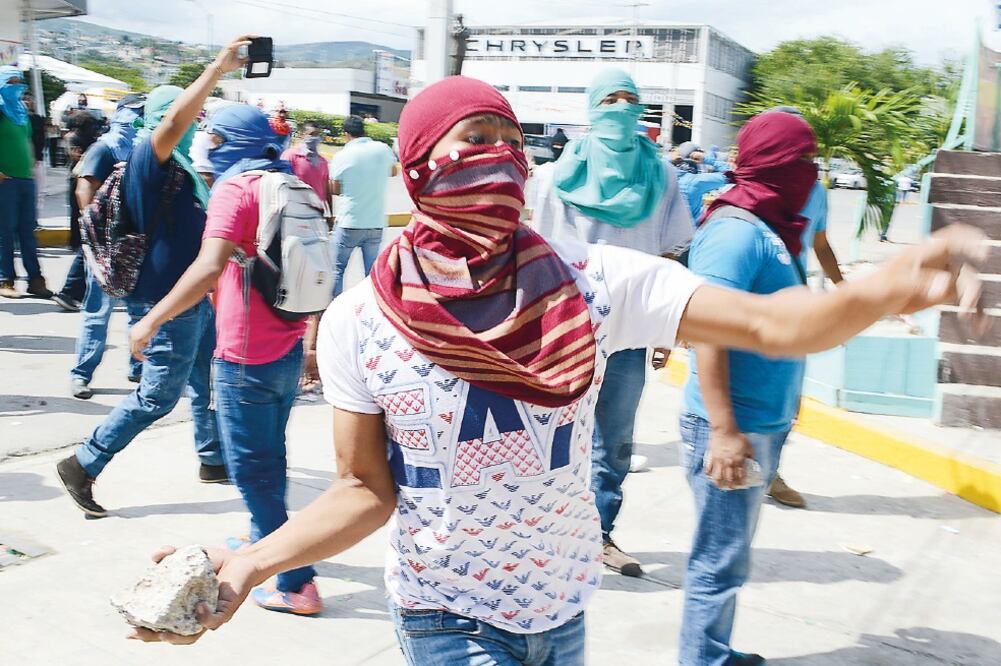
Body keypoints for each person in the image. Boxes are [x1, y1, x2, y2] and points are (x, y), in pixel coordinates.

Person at [127, 76, 984, 664]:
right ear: (421, 164)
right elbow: (362, 490)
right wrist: (249, 562)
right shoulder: (363, 319)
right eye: (476, 138)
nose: (501, 155)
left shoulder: (591, 281)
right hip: (445, 613)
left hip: (561, 608)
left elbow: (770, 322)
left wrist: (886, 285)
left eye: (511, 139)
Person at [678, 110, 861, 665]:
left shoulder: (773, 227)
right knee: (718, 560)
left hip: (763, 417)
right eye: (799, 159)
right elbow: (705, 334)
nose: (810, 170)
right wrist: (724, 429)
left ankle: (714, 652)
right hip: (734, 424)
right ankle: (704, 659)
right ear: (769, 163)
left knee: (730, 555)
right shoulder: (736, 232)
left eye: (812, 157)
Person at [129, 102, 323, 615]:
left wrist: (152, 320)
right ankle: (265, 537)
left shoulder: (235, 189)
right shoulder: (291, 179)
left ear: (227, 142)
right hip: (285, 346)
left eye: (211, 137)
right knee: (270, 459)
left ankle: (295, 584)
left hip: (244, 356)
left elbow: (208, 267)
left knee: (253, 471)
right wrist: (311, 343)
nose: (203, 144)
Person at [53, 38, 253, 518]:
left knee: (209, 377)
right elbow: (173, 122)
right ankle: (84, 461)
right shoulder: (149, 161)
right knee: (158, 396)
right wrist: (217, 69)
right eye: (194, 118)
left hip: (194, 299)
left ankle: (211, 457)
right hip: (163, 304)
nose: (199, 126)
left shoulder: (188, 174)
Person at [529, 68, 693, 577]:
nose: (620, 109)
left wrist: (667, 325)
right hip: (567, 326)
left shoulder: (661, 175)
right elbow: (536, 252)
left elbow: (670, 253)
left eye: (630, 100)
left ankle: (599, 533)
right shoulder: (556, 175)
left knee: (615, 440)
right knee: (552, 434)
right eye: (610, 100)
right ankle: (546, 533)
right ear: (591, 109)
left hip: (632, 327)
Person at [53, 95, 147, 398]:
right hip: (108, 246)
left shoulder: (147, 148)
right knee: (98, 313)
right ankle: (82, 374)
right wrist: (98, 230)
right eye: (136, 113)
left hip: (136, 244)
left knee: (138, 313)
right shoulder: (103, 148)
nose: (140, 119)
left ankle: (138, 368)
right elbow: (84, 188)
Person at [327, 114, 397, 296]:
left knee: (337, 270)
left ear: (346, 134)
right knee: (371, 274)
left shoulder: (342, 155)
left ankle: (334, 311)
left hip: (349, 222)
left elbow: (335, 189)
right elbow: (393, 171)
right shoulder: (381, 149)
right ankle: (370, 311)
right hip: (375, 222)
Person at [0, 66, 52, 299]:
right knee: (5, 232)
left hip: (25, 179)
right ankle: (5, 280)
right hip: (5, 181)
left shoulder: (20, 111)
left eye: (18, 81)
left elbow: (27, 141)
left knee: (27, 232)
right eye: (10, 82)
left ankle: (35, 279)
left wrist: (30, 166)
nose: (16, 86)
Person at [282, 120, 332, 217]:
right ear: (302, 135)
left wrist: (330, 214)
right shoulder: (291, 156)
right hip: (294, 211)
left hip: (317, 212)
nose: (315, 138)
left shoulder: (323, 162)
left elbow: (326, 190)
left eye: (317, 135)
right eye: (311, 134)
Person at [674, 158, 729, 222]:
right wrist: (705, 158)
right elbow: (727, 175)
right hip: (689, 227)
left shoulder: (664, 177)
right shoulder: (695, 181)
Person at [25, 94, 46, 201]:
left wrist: (36, 156)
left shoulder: (37, 119)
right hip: (22, 159)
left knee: (38, 191)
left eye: (28, 100)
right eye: (24, 100)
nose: (26, 102)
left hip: (37, 159)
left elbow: (41, 140)